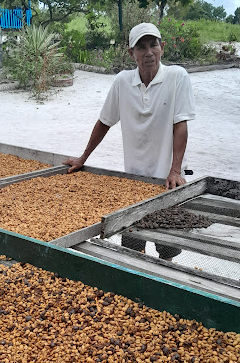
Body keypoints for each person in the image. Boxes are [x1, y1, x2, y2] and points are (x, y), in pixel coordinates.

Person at [63, 22, 196, 259]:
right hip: (133, 182)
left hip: (168, 182)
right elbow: (105, 121)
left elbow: (180, 125)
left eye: (153, 45)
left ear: (162, 47)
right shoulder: (123, 82)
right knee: (134, 248)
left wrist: (175, 170)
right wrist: (84, 157)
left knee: (167, 248)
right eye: (141, 47)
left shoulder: (177, 77)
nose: (148, 53)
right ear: (130, 53)